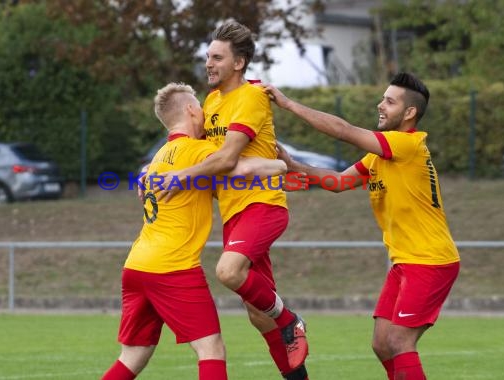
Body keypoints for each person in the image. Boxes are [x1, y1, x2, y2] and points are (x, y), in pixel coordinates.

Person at [263, 72, 460, 380]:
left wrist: (288, 104)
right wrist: (295, 166)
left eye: (390, 101)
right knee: (382, 344)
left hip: (430, 260)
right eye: (382, 98)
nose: (380, 105)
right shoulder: (379, 157)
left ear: (410, 113)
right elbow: (340, 182)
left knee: (399, 341)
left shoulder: (405, 145)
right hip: (406, 262)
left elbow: (343, 131)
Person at [101, 82, 287, 380]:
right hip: (172, 268)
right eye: (200, 107)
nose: (205, 114)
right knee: (211, 348)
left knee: (132, 357)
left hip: (136, 266)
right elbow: (241, 168)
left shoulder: (158, 158)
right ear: (190, 109)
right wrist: (281, 164)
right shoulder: (199, 151)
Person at [157, 20, 309, 380]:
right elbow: (202, 150)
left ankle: (292, 321)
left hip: (262, 205)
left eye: (217, 57)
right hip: (233, 214)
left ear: (238, 63)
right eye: (208, 56)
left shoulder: (252, 97)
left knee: (228, 271)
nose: (208, 63)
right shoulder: (211, 101)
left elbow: (225, 160)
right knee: (258, 314)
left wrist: (180, 177)